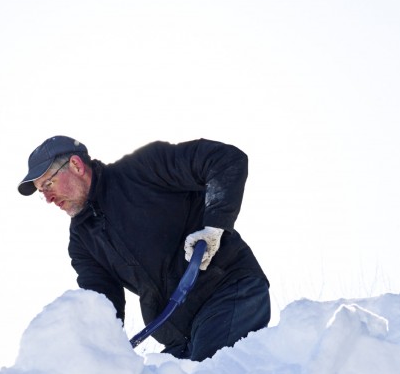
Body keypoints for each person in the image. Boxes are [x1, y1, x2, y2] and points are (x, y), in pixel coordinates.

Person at [18, 135, 270, 361]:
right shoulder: (82, 241)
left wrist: (215, 225)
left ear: (75, 165)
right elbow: (103, 304)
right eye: (42, 193)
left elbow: (225, 159)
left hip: (228, 292)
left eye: (48, 185)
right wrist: (98, 353)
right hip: (178, 337)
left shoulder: (144, 169)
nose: (48, 199)